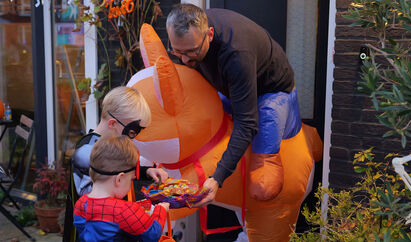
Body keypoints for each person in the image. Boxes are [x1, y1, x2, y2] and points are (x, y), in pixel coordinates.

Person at [166, 4, 302, 204]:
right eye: (177, 52)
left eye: (192, 51)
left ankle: (266, 161)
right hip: (231, 84)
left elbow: (246, 122)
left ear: (209, 34)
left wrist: (217, 178)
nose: (185, 59)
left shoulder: (237, 54)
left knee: (262, 171)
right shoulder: (185, 38)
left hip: (271, 90)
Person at [64, 86, 169, 241]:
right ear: (113, 123)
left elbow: (116, 168)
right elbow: (97, 206)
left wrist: (146, 171)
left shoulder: (106, 144)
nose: (133, 138)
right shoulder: (87, 150)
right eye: (132, 132)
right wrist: (133, 214)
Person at [74, 135, 170, 241]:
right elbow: (152, 234)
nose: (130, 183)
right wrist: (160, 210)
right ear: (119, 179)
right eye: (130, 179)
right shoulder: (124, 210)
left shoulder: (80, 204)